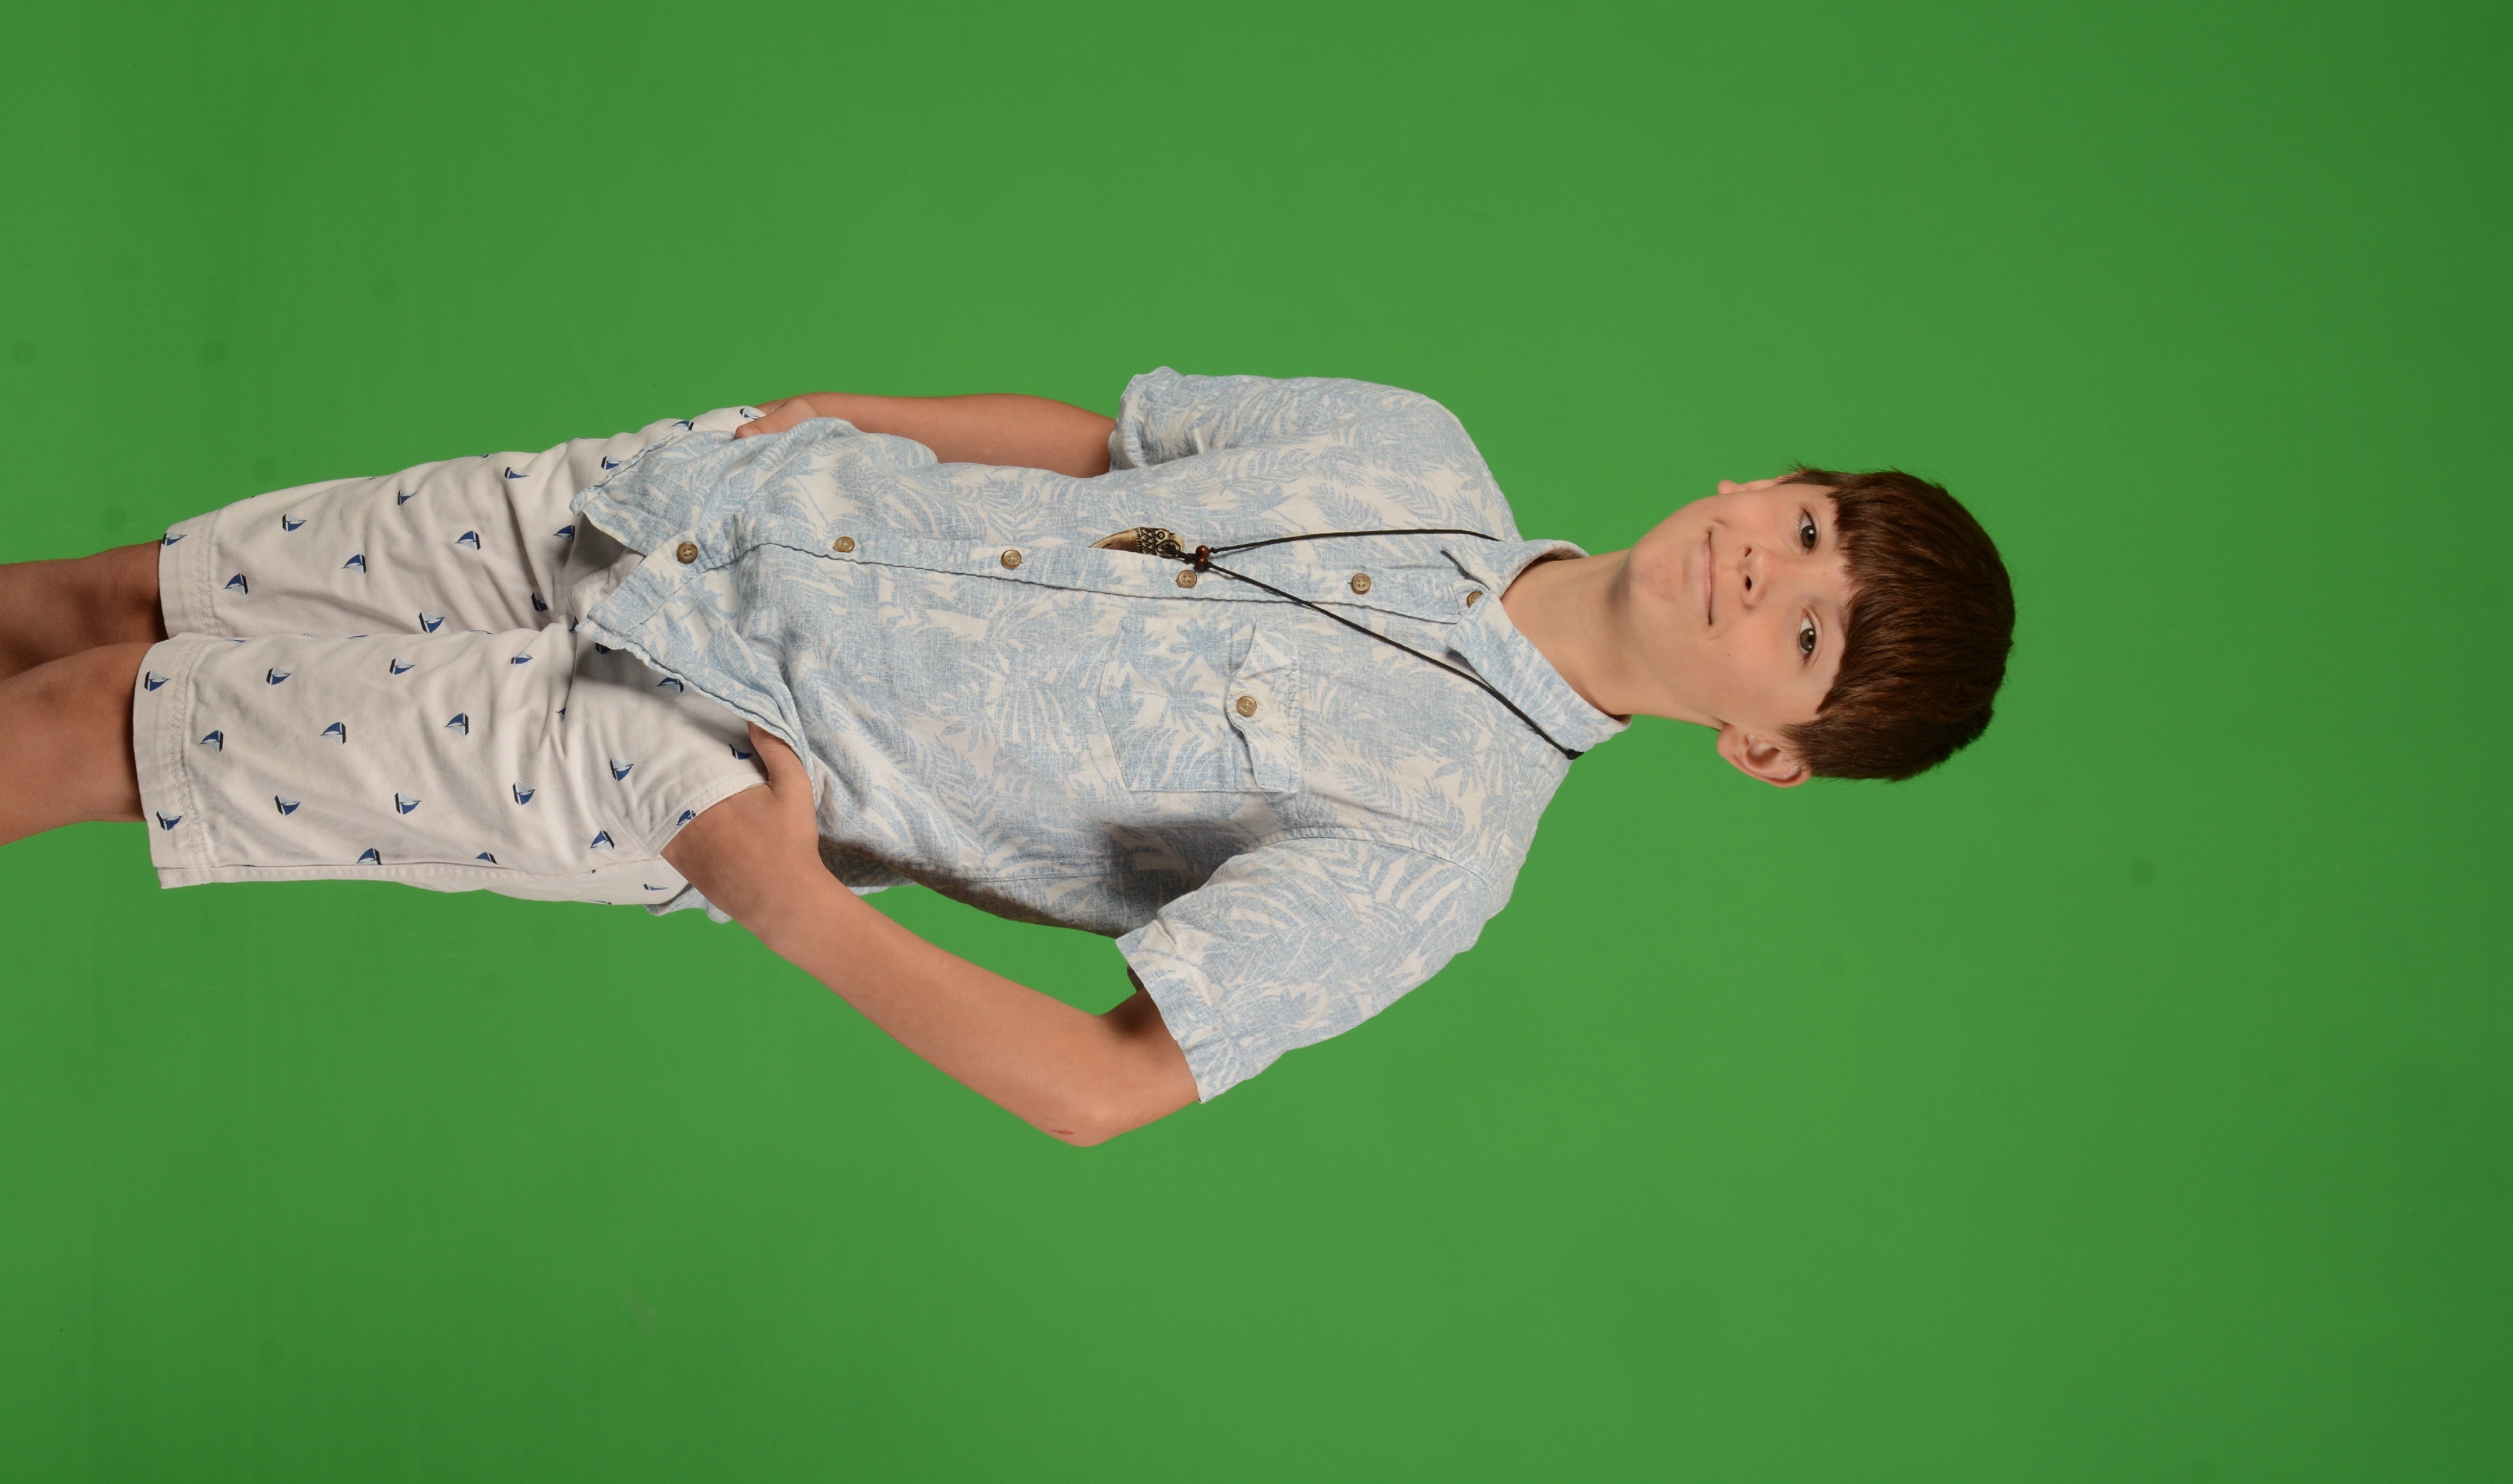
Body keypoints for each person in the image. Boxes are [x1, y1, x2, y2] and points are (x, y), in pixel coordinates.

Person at [0, 371, 2013, 1144]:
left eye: (1805, 633)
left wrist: (791, 906)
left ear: (1765, 746)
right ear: (1764, 478)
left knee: (101, 725)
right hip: (677, 503)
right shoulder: (1412, 444)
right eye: (1806, 525)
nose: (1765, 568)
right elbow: (1103, 445)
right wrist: (842, 415)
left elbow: (1105, 1085)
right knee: (94, 606)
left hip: (694, 752)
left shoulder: (1439, 848)